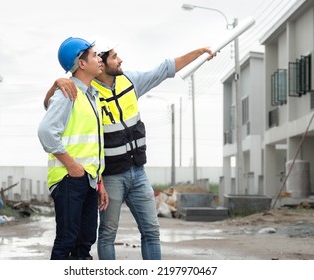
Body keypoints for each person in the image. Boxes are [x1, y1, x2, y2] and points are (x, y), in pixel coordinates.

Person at [44, 40, 216, 260]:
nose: (120, 59)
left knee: (146, 231)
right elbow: (50, 114)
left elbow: (164, 69)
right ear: (99, 64)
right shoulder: (84, 91)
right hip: (103, 175)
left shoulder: (123, 84)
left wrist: (199, 53)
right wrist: (56, 84)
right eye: (113, 57)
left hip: (131, 173)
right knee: (96, 235)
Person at [38, 37, 108, 260]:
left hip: (87, 180)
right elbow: (46, 132)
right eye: (95, 55)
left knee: (85, 241)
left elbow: (93, 146)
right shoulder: (67, 92)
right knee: (67, 241)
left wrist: (99, 182)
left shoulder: (91, 95)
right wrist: (72, 166)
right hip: (69, 178)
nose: (100, 59)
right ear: (81, 63)